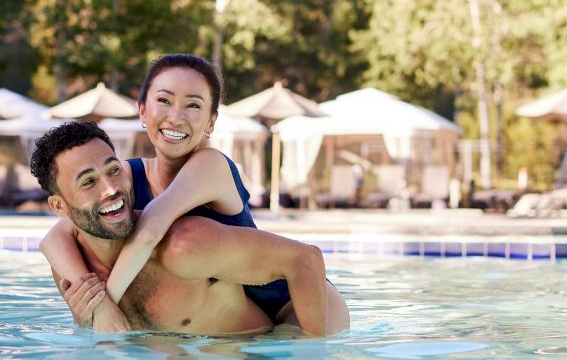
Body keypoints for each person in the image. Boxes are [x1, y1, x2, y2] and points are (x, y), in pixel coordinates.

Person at [37, 54, 292, 331]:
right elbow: (57, 235)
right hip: (239, 314)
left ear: (210, 121)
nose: (175, 117)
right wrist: (98, 306)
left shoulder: (211, 165)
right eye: (164, 101)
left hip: (288, 304)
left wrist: (104, 306)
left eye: (193, 105)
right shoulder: (120, 175)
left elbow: (148, 234)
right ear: (143, 111)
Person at [30, 119, 349, 336]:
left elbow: (306, 259)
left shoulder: (184, 245)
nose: (110, 188)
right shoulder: (73, 273)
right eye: (88, 181)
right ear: (59, 206)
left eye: (114, 170)